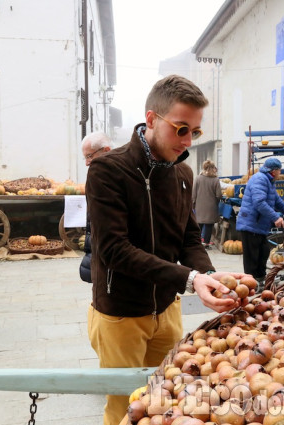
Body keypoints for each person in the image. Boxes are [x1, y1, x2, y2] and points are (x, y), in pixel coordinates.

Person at [85, 74, 248, 425]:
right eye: (181, 128)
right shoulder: (107, 170)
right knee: (124, 410)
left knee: (171, 402)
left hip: (167, 310)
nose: (188, 140)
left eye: (196, 131)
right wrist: (189, 278)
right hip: (121, 315)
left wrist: (206, 274)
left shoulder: (183, 175)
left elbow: (189, 237)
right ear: (151, 120)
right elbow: (115, 249)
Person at [236, 157, 284, 284]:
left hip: (259, 226)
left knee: (263, 253)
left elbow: (278, 201)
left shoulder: (269, 181)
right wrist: (275, 217)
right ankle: (249, 284)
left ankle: (260, 280)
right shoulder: (260, 179)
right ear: (274, 171)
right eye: (280, 171)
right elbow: (259, 202)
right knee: (252, 258)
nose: (280, 173)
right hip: (251, 224)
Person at [79, 131, 113, 283]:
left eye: (89, 156)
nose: (87, 162)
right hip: (98, 256)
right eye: (85, 157)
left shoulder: (118, 178)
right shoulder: (97, 177)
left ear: (106, 151)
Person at [192, 159, 222, 247]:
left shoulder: (197, 178)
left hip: (199, 206)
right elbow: (219, 195)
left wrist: (193, 204)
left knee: (199, 224)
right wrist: (216, 201)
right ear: (213, 168)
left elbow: (193, 194)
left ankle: (196, 242)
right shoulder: (215, 180)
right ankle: (206, 243)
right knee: (209, 225)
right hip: (211, 206)